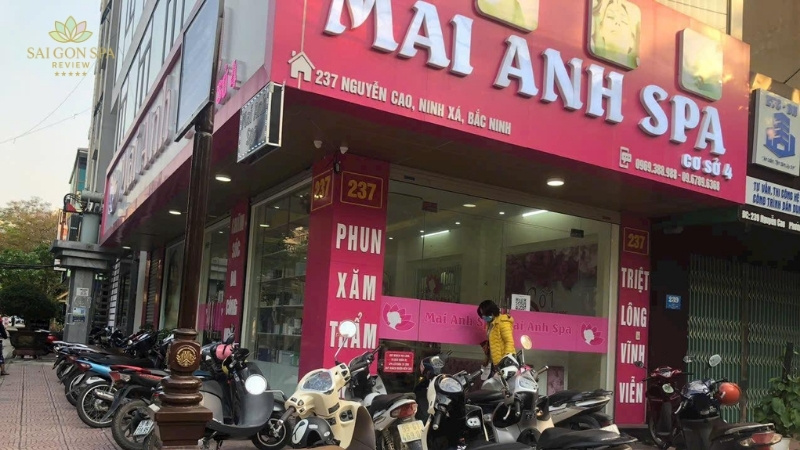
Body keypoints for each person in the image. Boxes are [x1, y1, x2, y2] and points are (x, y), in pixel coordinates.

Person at [477, 300, 516, 379]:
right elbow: (493, 342)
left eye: (484, 314)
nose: (483, 316)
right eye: (482, 314)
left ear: (492, 312)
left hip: (504, 363)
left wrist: (506, 360)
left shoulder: (503, 322)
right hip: (495, 362)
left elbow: (509, 341)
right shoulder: (490, 324)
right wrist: (487, 358)